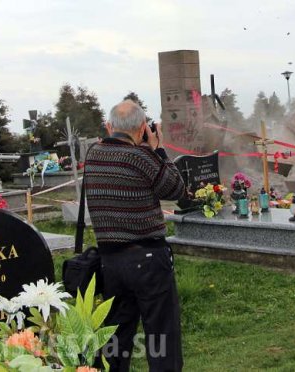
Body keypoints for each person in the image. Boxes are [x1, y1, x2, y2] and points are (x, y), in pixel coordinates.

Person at [84, 99, 185, 372]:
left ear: (108, 127)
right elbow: (175, 190)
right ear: (143, 129)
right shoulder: (143, 158)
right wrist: (159, 149)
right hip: (149, 260)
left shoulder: (93, 154)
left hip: (111, 263)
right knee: (161, 337)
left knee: (116, 338)